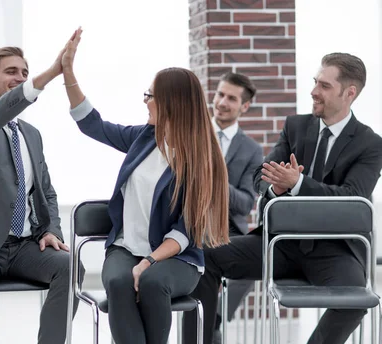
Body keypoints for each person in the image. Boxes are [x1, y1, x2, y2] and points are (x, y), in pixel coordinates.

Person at [183, 52, 382, 344]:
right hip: (280, 244)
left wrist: (298, 183)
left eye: (324, 86)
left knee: (354, 301)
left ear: (349, 93)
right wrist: (275, 189)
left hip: (335, 251)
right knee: (202, 256)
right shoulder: (295, 127)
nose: (313, 91)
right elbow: (261, 177)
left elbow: (352, 199)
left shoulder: (370, 144)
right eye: (315, 82)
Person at [62, 28, 230, 344]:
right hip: (126, 247)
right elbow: (92, 124)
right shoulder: (144, 138)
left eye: (151, 95)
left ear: (171, 103)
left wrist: (149, 262)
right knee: (118, 282)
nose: (145, 100)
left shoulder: (199, 158)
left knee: (151, 282)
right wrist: (68, 72)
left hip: (177, 257)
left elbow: (186, 231)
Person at [0, 42, 84, 344]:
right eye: (11, 72)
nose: (21, 78)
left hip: (23, 247)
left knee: (70, 268)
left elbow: (46, 191)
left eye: (25, 73)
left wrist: (51, 230)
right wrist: (47, 76)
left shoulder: (31, 134)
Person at [210, 72, 263, 343]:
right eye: (220, 94)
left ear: (244, 106)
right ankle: (209, 321)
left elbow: (244, 202)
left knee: (252, 262)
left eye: (231, 98)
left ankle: (215, 317)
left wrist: (215, 178)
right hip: (187, 222)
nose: (222, 102)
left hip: (229, 227)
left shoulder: (252, 150)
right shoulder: (194, 133)